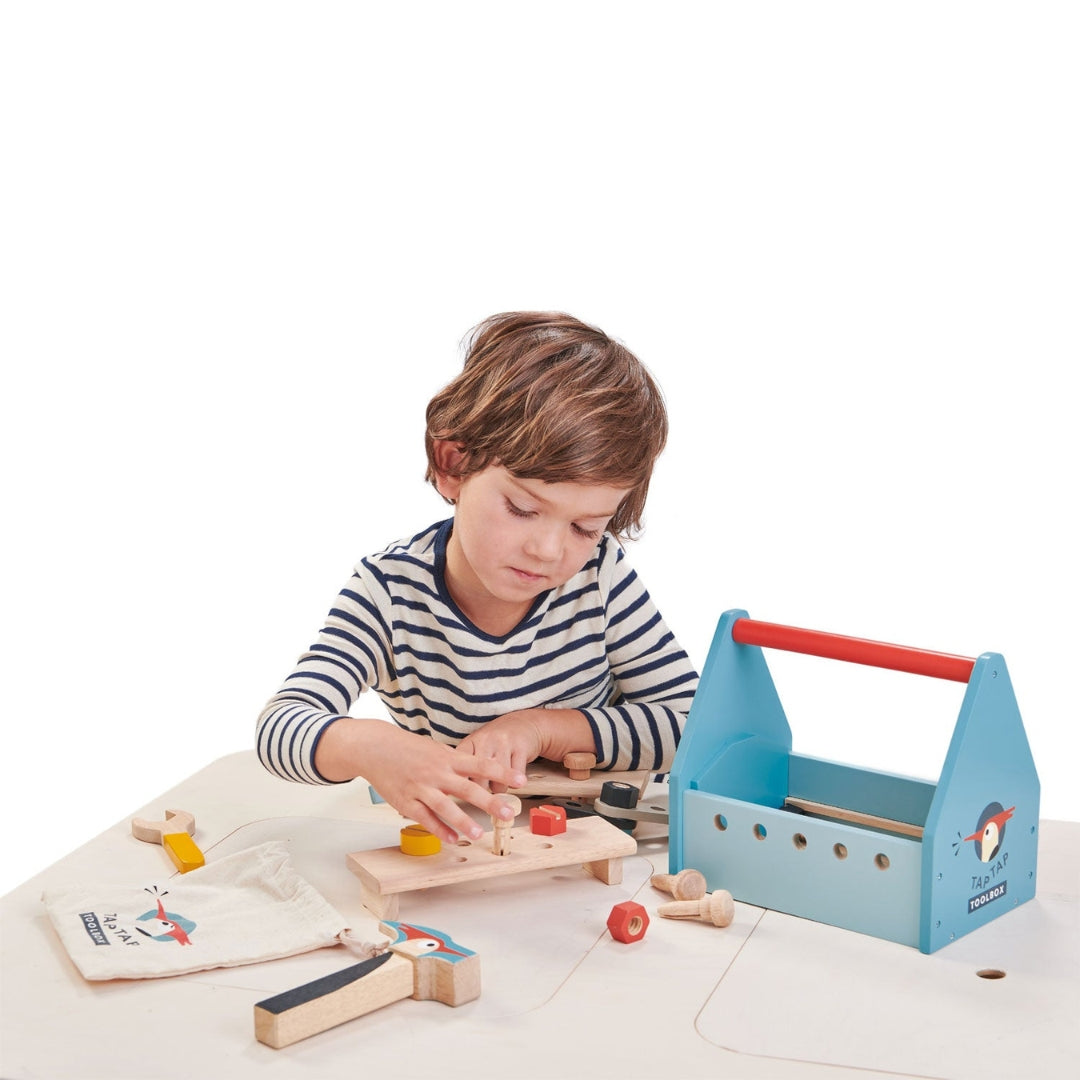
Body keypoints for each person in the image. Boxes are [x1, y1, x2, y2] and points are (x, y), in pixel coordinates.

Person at [256, 311, 698, 844]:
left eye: (585, 526)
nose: (548, 549)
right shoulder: (388, 594)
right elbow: (280, 725)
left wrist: (541, 729)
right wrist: (365, 745)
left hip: (598, 851)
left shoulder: (599, 574)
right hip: (464, 855)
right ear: (452, 466)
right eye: (521, 508)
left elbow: (691, 724)